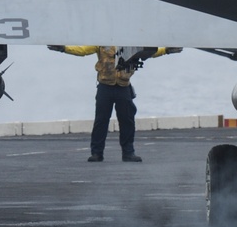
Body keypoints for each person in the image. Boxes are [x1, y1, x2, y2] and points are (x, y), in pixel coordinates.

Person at [48, 45, 180, 162]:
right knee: (101, 121)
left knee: (127, 120)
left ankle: (128, 153)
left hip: (123, 86)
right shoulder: (101, 42)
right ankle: (97, 153)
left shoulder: (130, 44)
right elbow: (82, 50)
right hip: (105, 86)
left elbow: (149, 51)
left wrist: (166, 50)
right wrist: (64, 48)